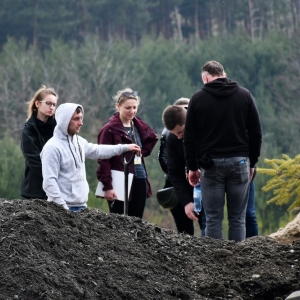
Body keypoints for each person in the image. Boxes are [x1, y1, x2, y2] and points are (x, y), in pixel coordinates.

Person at [183, 60, 262, 242]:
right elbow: (256, 133)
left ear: (205, 77)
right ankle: (237, 261)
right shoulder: (245, 95)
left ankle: (215, 264)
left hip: (211, 165)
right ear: (224, 75)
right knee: (237, 218)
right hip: (240, 161)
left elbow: (190, 138)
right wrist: (252, 162)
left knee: (213, 218)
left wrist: (192, 167)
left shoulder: (197, 99)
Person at [41, 103, 140, 212]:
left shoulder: (79, 142)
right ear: (65, 121)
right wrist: (63, 209)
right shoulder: (52, 148)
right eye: (76, 119)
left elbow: (98, 150)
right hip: (61, 210)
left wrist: (125, 148)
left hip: (81, 207)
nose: (81, 123)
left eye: (81, 118)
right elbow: (49, 183)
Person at [96, 88, 158, 218]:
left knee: (136, 222)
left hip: (140, 179)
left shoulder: (140, 126)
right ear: (118, 106)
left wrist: (143, 152)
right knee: (118, 222)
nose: (132, 111)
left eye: (135, 107)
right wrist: (107, 186)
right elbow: (103, 160)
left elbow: (151, 139)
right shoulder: (109, 130)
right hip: (119, 180)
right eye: (128, 108)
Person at [161, 105, 206, 236]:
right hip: (188, 185)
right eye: (175, 134)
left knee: (208, 223)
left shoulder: (203, 128)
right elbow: (173, 172)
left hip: (209, 181)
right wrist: (186, 201)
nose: (179, 137)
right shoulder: (172, 138)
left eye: (181, 132)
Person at [20, 85, 58, 200]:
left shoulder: (58, 128)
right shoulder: (28, 130)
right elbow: (32, 158)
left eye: (54, 105)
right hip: (35, 188)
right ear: (37, 104)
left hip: (58, 187)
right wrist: (51, 177)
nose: (51, 107)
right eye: (48, 103)